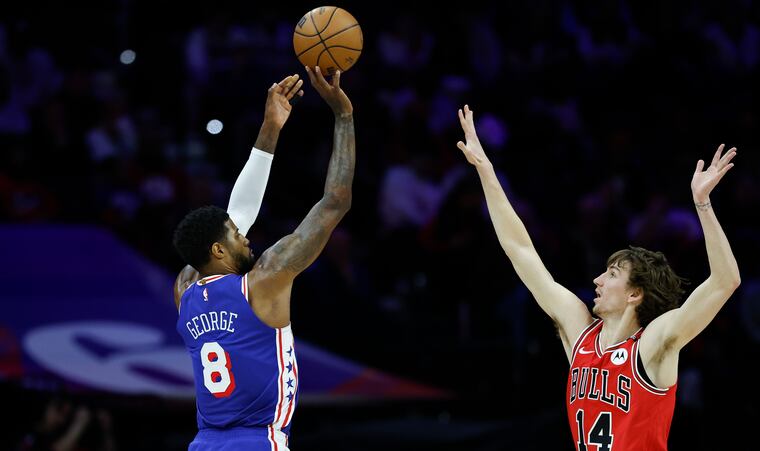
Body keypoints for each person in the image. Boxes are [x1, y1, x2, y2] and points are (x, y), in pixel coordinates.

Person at [455, 104, 740, 450]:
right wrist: (486, 171)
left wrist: (703, 204)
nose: (597, 281)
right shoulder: (580, 333)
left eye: (612, 274)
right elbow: (520, 250)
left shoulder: (651, 345)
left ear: (635, 293)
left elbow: (725, 281)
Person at [172, 66, 354, 451]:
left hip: (203, 444)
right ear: (218, 250)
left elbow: (236, 215)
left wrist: (271, 127)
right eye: (236, 235)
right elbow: (335, 202)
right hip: (257, 440)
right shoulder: (266, 279)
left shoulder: (185, 291)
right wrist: (343, 116)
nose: (245, 235)